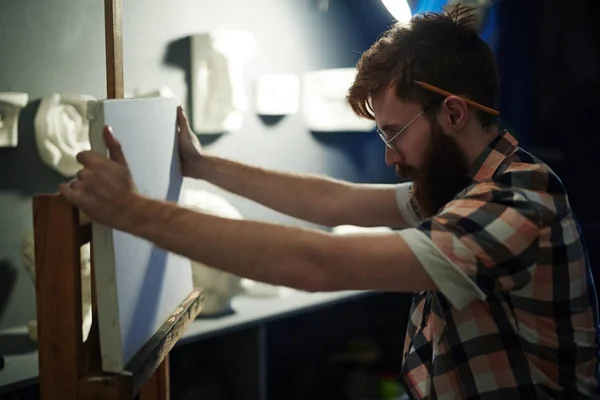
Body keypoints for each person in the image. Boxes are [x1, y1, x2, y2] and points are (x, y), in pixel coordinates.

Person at [59, 3, 600, 399]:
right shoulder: (467, 183)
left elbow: (318, 263)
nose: (391, 157)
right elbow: (333, 202)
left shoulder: (513, 205)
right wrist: (203, 166)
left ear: (454, 114)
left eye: (394, 133)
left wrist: (133, 212)